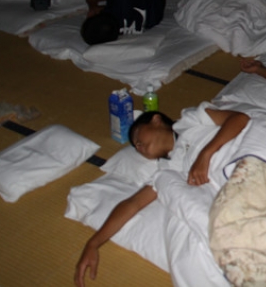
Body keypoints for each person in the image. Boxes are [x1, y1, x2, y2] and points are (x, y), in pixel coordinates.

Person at [74, 106, 250, 287]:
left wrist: (205, 154)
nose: (138, 146)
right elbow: (133, 204)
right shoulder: (170, 170)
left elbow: (240, 119)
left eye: (138, 137)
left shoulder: (189, 120)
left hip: (249, 160)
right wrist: (93, 244)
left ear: (156, 120)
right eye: (136, 147)